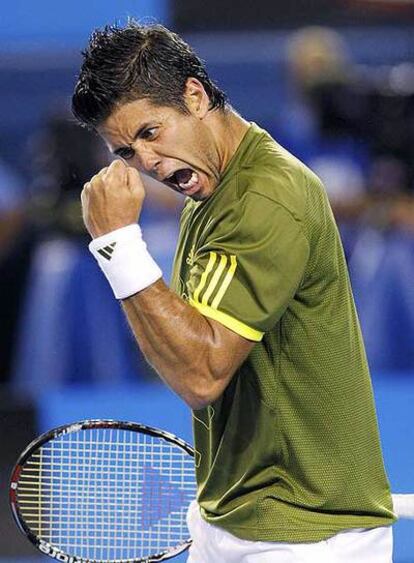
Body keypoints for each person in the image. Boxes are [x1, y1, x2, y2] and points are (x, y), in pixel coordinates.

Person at [72, 22, 396, 562]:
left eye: (150, 132)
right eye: (125, 152)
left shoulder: (266, 198)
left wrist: (118, 246)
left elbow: (201, 372)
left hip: (306, 537)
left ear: (195, 95)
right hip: (235, 518)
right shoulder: (209, 192)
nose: (146, 162)